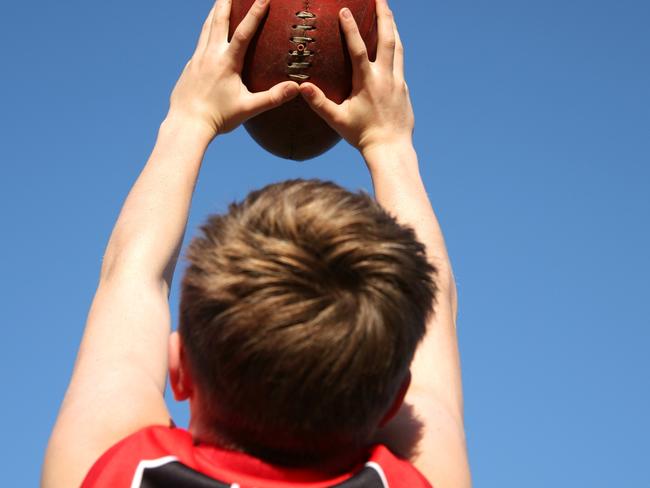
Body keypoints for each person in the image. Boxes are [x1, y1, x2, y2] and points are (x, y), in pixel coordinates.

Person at [42, 0, 471, 486]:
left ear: (179, 368)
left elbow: (130, 275)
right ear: (396, 399)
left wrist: (191, 118)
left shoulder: (115, 472)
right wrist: (389, 143)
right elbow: (434, 308)